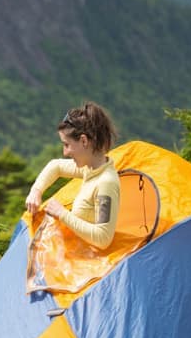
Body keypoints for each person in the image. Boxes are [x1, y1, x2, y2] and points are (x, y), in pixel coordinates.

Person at [24, 101, 120, 250]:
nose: (65, 152)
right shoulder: (90, 168)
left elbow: (103, 238)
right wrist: (36, 191)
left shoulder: (106, 182)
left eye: (67, 145)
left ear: (83, 141)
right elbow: (55, 166)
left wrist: (62, 213)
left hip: (91, 265)